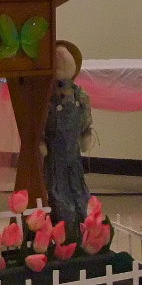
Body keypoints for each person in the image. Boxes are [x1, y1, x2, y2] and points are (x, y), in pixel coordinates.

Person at [42, 40, 93, 235]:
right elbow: (39, 121)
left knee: (80, 195)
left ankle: (83, 231)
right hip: (55, 157)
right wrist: (40, 140)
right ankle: (66, 233)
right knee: (59, 197)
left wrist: (86, 133)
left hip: (74, 157)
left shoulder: (80, 96)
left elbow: (86, 117)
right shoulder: (47, 97)